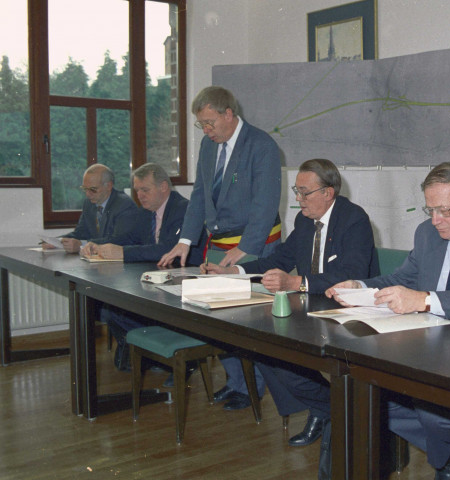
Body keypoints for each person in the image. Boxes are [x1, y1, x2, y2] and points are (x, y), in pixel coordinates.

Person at [326, 161, 450, 480]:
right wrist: (361, 286)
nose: (435, 220)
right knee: (365, 394)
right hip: (428, 339)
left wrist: (424, 299)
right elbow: (404, 277)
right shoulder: (427, 234)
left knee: (433, 408)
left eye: (443, 210)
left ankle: (444, 460)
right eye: (429, 210)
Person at [202, 159, 378, 438]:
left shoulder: (353, 219)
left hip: (349, 310)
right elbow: (280, 259)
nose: (298, 199)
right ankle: (325, 408)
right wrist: (233, 271)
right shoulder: (304, 221)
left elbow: (351, 274)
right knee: (264, 347)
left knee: (282, 351)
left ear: (328, 193)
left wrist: (296, 282)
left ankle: (326, 410)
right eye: (296, 191)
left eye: (304, 192)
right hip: (313, 307)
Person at [82, 163, 203, 375]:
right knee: (110, 309)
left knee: (125, 309)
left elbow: (166, 250)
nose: (140, 196)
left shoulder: (183, 209)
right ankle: (151, 354)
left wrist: (122, 252)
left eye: (145, 190)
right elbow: (127, 238)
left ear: (164, 187)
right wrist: (97, 245)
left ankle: (178, 360)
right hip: (157, 280)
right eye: (137, 191)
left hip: (184, 281)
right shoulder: (146, 212)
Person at [158, 86, 282, 268]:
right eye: (201, 124)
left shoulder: (261, 145)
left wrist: (245, 247)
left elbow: (265, 204)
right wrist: (184, 241)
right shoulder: (208, 145)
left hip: (254, 246)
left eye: (210, 122)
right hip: (218, 245)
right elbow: (200, 195)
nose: (206, 130)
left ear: (228, 114)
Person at [47, 163, 138, 253]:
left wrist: (81, 244)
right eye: (85, 189)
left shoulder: (124, 204)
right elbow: (81, 232)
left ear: (108, 186)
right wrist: (57, 241)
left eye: (93, 189)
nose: (87, 194)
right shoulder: (89, 203)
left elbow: (118, 240)